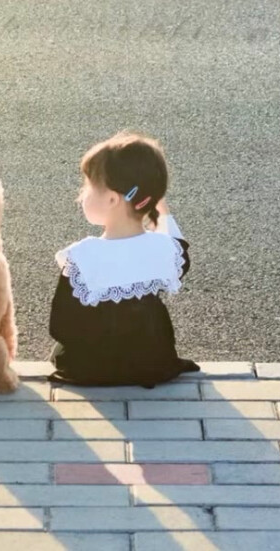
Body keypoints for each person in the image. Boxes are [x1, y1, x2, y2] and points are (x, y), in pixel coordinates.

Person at [48, 131, 200, 388]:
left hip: (92, 368)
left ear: (111, 199)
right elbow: (180, 252)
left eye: (87, 186)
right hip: (151, 364)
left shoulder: (83, 256)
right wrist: (161, 210)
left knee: (59, 350)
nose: (81, 195)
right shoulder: (162, 249)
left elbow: (62, 325)